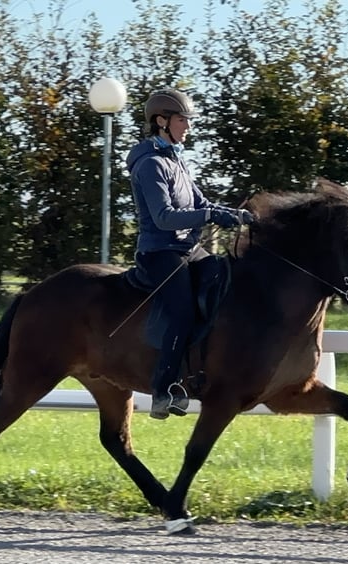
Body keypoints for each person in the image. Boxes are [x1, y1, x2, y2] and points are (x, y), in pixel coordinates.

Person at [126, 88, 253, 420]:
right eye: (182, 120)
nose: (187, 127)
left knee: (225, 284)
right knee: (182, 313)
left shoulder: (176, 160)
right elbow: (164, 217)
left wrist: (235, 215)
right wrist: (210, 216)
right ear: (161, 121)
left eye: (187, 120)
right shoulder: (151, 164)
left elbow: (202, 205)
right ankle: (163, 388)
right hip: (160, 254)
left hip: (189, 250)